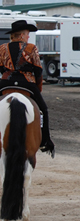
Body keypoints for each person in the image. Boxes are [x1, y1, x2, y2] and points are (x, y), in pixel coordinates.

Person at [0, 20, 55, 156]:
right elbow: (38, 71)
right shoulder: (31, 48)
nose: (28, 37)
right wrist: (38, 87)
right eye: (27, 34)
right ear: (22, 35)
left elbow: (1, 68)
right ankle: (45, 141)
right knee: (43, 110)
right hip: (27, 83)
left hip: (6, 82)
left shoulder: (2, 48)